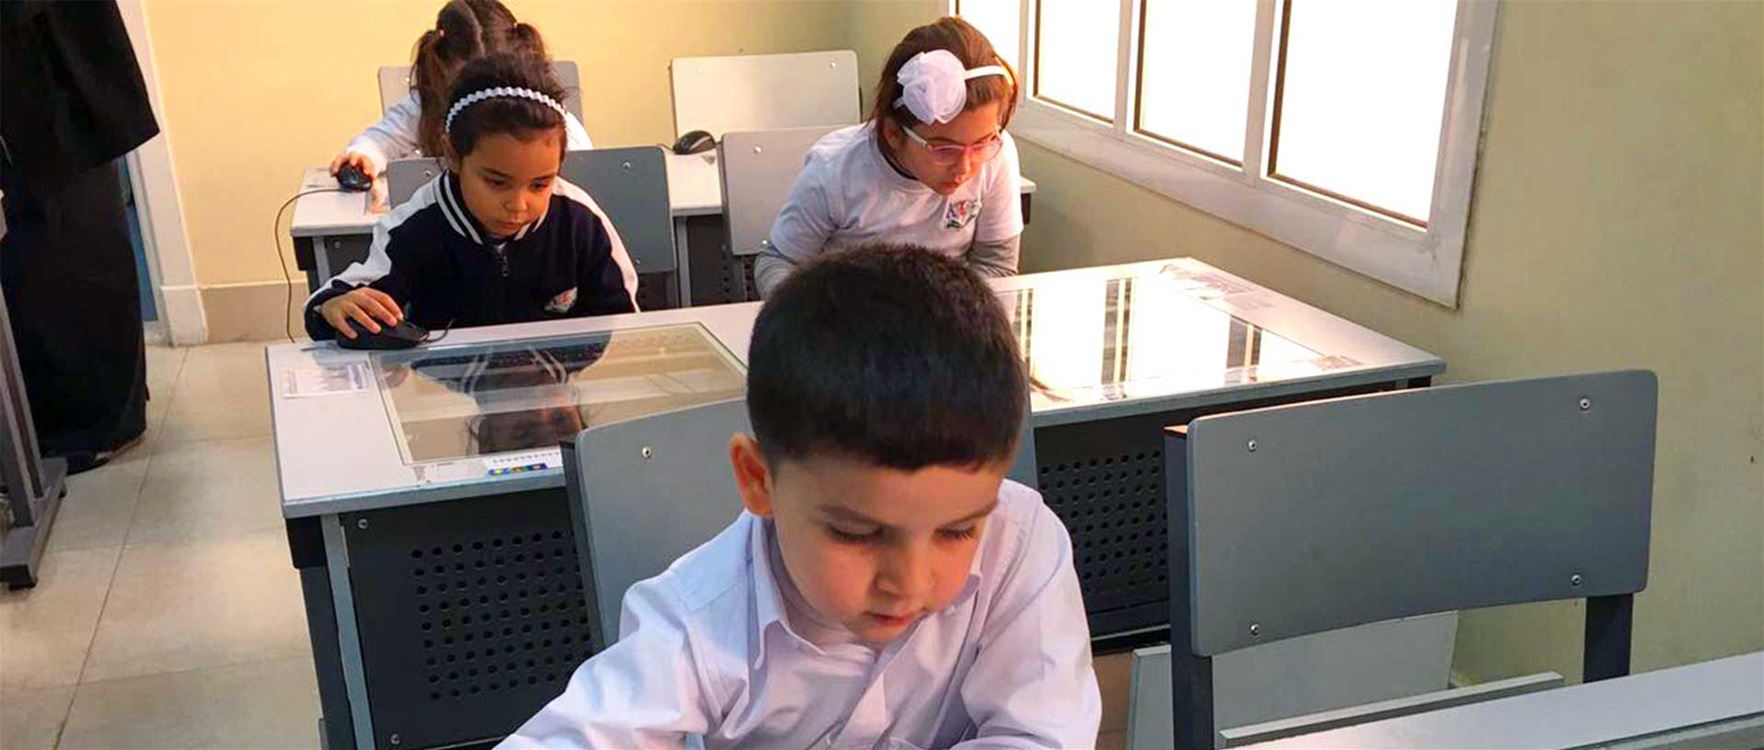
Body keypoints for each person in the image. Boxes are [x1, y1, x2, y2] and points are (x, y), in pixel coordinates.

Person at [501, 245, 1100, 748]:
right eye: (857, 533)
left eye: (958, 531)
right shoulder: (695, 621)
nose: (910, 583)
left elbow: (1044, 736)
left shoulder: (1020, 542)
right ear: (758, 479)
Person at [303, 52, 636, 342]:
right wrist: (331, 306)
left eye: (540, 184)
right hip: (445, 390)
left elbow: (624, 325)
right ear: (453, 155)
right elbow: (342, 299)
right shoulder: (414, 228)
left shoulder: (581, 221)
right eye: (497, 182)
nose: (518, 205)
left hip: (562, 390)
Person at [753, 17, 1023, 297]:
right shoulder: (834, 171)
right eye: (944, 150)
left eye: (981, 144)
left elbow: (997, 265)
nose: (965, 167)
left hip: (946, 312)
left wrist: (947, 313)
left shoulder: (998, 155)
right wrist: (807, 315)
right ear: (893, 132)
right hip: (849, 310)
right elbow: (777, 262)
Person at [0, 0, 160, 472]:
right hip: (52, 92)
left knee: (65, 262)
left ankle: (89, 428)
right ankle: (101, 416)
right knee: (63, 257)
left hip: (52, 99)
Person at [329, 0, 591, 183]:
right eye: (469, 83)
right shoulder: (425, 105)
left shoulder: (545, 114)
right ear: (443, 70)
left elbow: (587, 172)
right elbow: (381, 140)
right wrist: (364, 156)